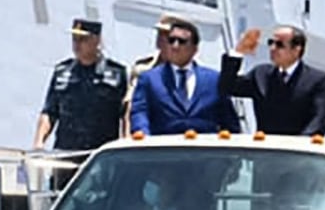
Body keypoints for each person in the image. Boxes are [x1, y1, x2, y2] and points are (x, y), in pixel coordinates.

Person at [34, 18, 128, 152]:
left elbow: (126, 114)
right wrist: (39, 142)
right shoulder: (62, 72)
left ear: (96, 41)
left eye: (82, 39)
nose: (77, 44)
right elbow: (49, 112)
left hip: (99, 155)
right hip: (66, 153)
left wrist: (125, 143)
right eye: (74, 39)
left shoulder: (116, 74)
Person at [130, 20, 240, 135]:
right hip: (164, 148)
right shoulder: (149, 79)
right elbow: (139, 112)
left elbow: (229, 120)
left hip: (204, 148)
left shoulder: (214, 80)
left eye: (181, 41)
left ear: (195, 49)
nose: (175, 46)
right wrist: (143, 135)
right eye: (171, 40)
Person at [219, 26, 325, 136]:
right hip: (267, 148)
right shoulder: (261, 74)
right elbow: (228, 87)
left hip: (298, 149)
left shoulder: (317, 79)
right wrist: (238, 52)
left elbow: (320, 117)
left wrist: (301, 143)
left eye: (279, 45)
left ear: (297, 50)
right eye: (271, 43)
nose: (272, 48)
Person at [124, 13, 182, 136]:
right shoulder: (142, 69)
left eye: (166, 35)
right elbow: (130, 109)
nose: (160, 38)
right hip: (148, 143)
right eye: (159, 33)